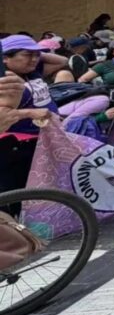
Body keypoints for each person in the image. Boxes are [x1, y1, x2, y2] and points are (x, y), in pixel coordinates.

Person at [0, 35, 67, 203]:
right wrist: (30, 113)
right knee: (18, 190)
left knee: (42, 184)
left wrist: (34, 51)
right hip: (17, 144)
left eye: (36, 55)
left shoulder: (33, 72)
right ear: (6, 58)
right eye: (27, 55)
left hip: (41, 138)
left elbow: (62, 60)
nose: (34, 59)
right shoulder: (6, 81)